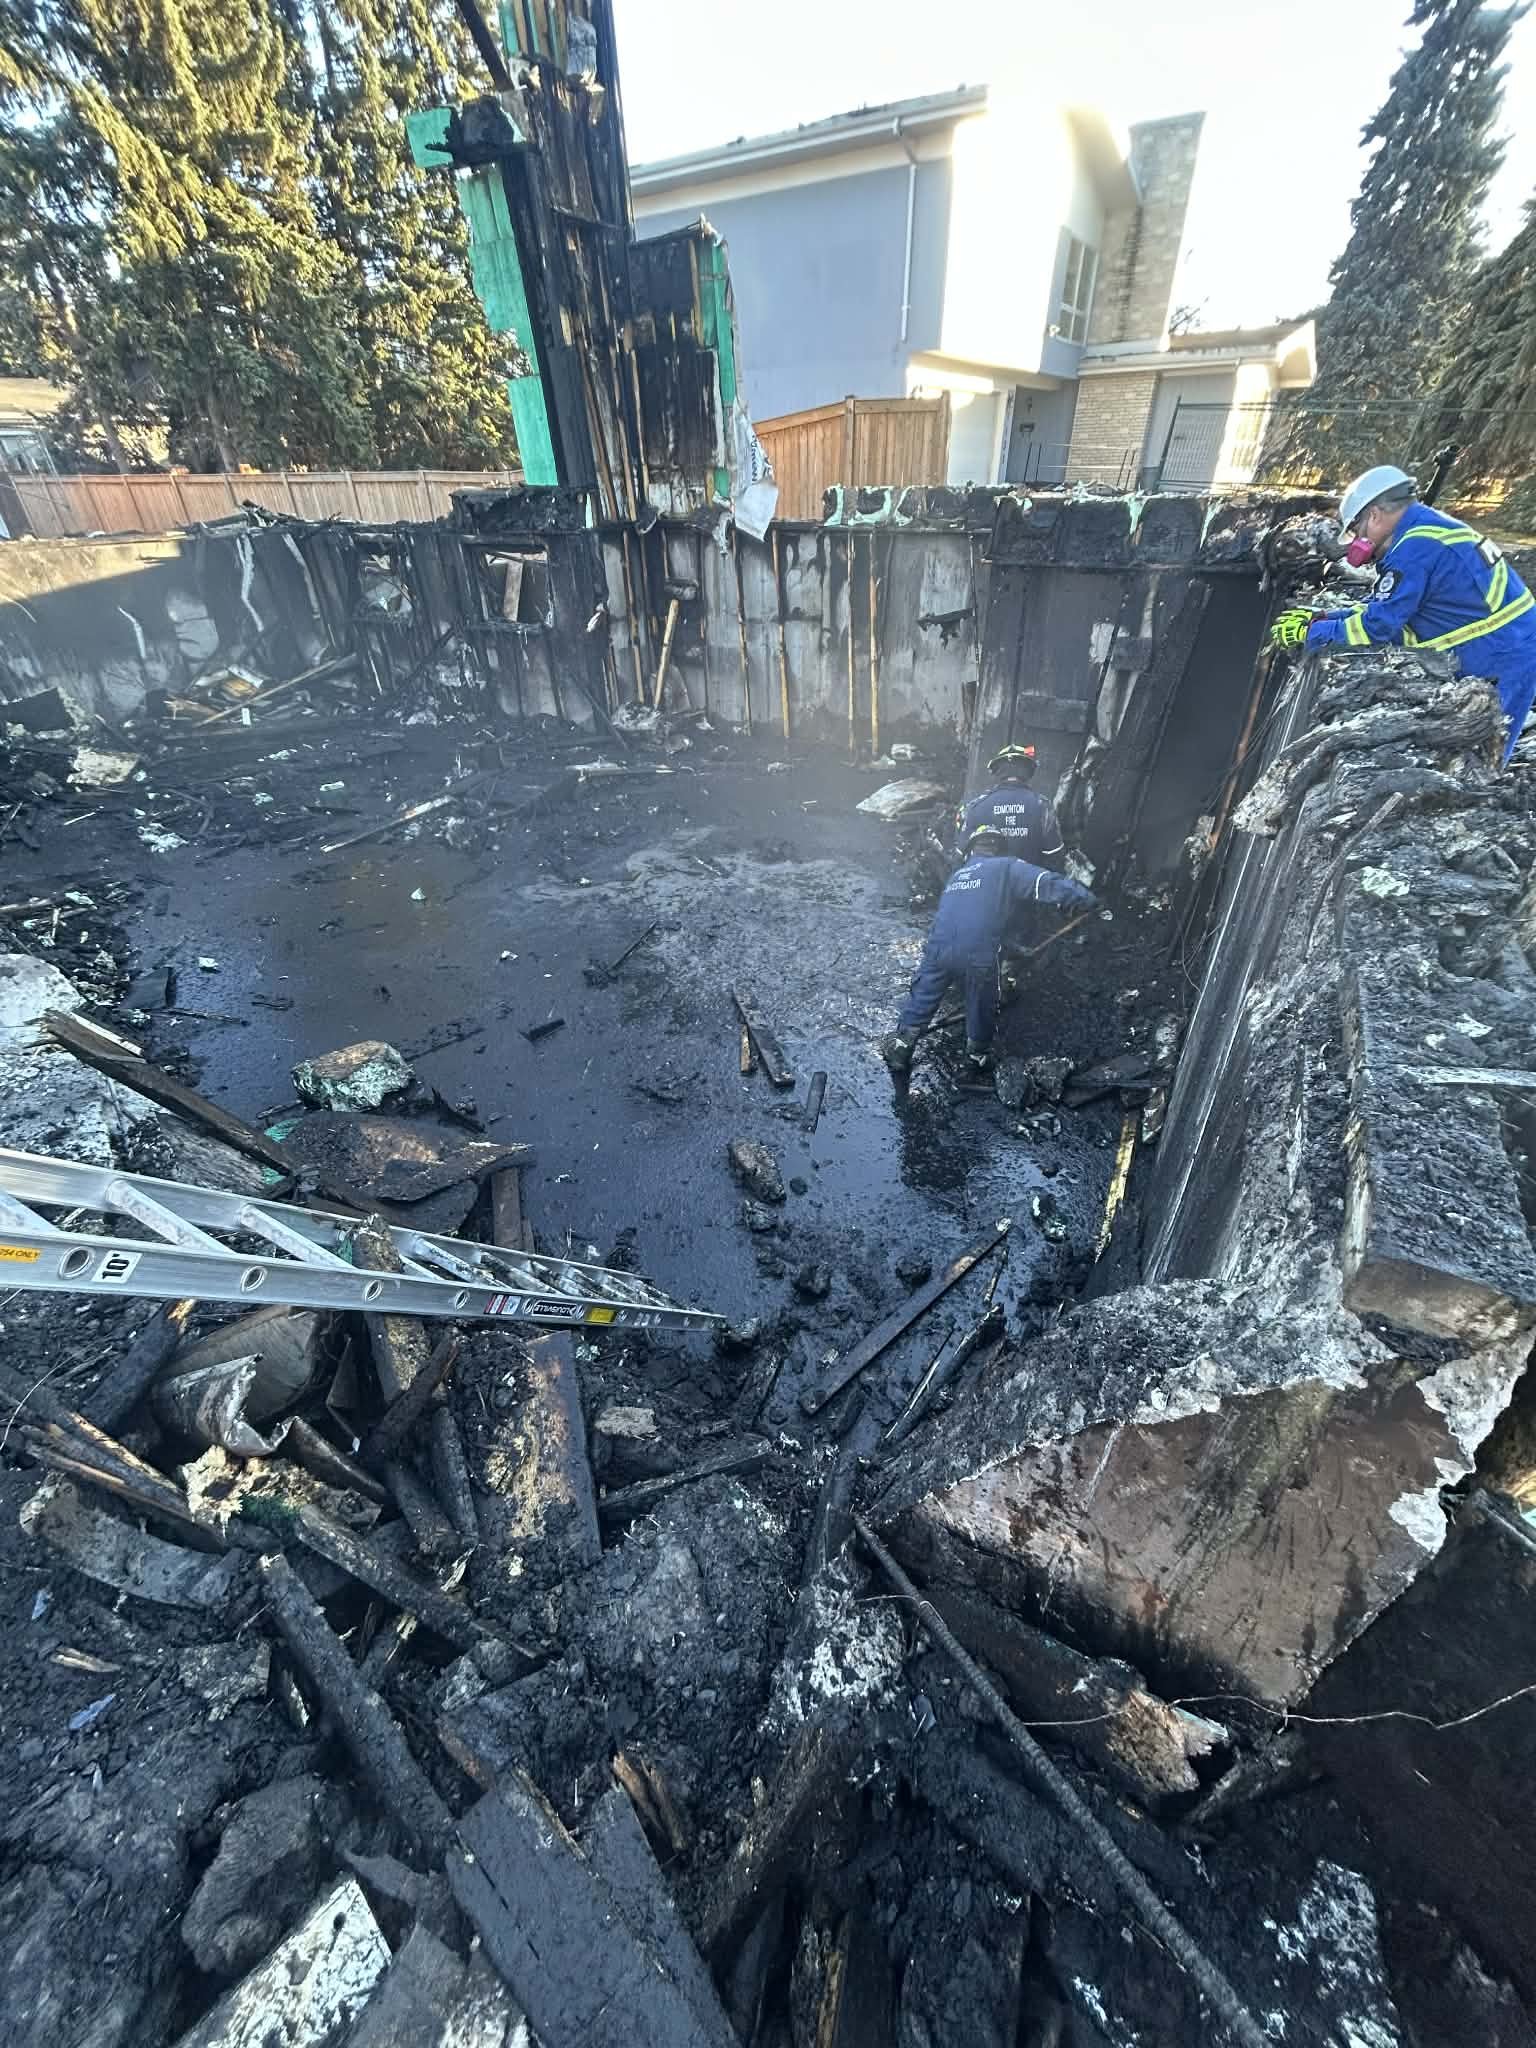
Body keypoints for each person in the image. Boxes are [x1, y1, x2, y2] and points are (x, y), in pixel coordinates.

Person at [1271, 464, 1536, 761]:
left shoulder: (1412, 551)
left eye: (1357, 530)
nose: (1357, 541)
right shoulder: (1424, 531)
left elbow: (1378, 627)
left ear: (1374, 515)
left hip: (1503, 653)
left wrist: (1314, 634)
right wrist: (1324, 618)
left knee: (1484, 749)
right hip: (1508, 641)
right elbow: (1386, 609)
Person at [882, 828, 1097, 1077]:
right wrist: (1084, 898)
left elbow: (969, 919)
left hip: (938, 947)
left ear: (972, 849)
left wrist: (1012, 948)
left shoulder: (957, 876)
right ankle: (977, 1056)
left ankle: (901, 1047)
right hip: (978, 952)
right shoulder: (1006, 866)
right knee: (982, 999)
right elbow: (1045, 883)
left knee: (924, 994)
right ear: (999, 848)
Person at [954, 742, 1065, 865]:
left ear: (997, 772)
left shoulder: (975, 807)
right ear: (1028, 771)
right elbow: (1055, 858)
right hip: (1029, 883)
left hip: (988, 883)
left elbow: (960, 858)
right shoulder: (1042, 806)